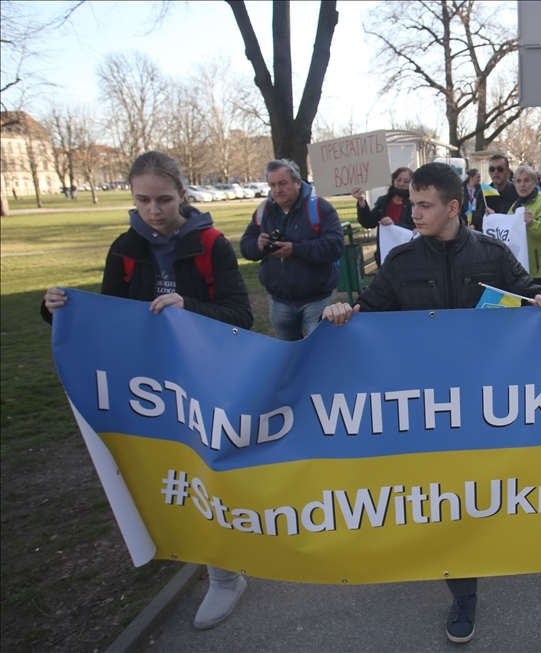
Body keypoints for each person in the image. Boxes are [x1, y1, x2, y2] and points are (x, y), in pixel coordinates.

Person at [321, 162, 541, 644]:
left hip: (485, 403)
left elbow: (527, 293)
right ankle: (463, 590)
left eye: (423, 205)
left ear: (452, 207)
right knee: (445, 499)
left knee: (480, 494)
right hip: (429, 409)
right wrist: (342, 313)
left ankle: (490, 558)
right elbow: (367, 314)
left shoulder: (494, 255)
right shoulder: (401, 262)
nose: (413, 212)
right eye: (412, 203)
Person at [41, 151, 254, 630]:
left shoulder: (211, 243)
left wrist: (188, 308)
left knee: (208, 469)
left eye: (163, 199)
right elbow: (108, 317)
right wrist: (57, 308)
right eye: (142, 200)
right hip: (149, 384)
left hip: (203, 379)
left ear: (182, 194)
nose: (153, 210)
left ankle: (225, 575)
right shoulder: (124, 246)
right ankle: (196, 552)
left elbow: (241, 315)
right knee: (170, 471)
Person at [240, 158, 345, 341]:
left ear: (298, 183)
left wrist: (296, 249)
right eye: (272, 185)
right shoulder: (264, 210)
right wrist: (258, 245)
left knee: (319, 352)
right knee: (288, 356)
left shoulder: (319, 207)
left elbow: (335, 246)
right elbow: (245, 246)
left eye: (282, 183)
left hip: (316, 300)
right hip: (279, 301)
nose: (277, 190)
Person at [508, 165, 541, 292]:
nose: (522, 185)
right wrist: (493, 218)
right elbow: (506, 231)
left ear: (535, 183)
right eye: (518, 181)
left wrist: (531, 223)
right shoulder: (515, 206)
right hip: (521, 271)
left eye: (526, 180)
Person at [352, 167, 414, 266]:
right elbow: (368, 222)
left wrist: (394, 225)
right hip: (385, 256)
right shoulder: (384, 201)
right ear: (393, 180)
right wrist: (361, 201)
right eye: (398, 180)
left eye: (407, 181)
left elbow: (416, 229)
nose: (401, 184)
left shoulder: (414, 204)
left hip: (407, 256)